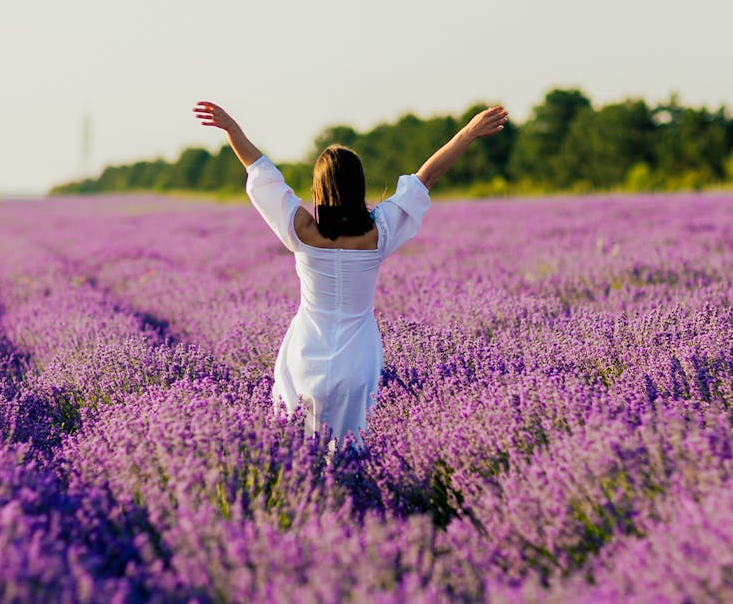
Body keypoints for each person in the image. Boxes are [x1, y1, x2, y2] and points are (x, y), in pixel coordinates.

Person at [193, 100, 509, 442]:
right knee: (354, 447)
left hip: (305, 354)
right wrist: (468, 133)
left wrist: (233, 130)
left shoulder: (302, 231)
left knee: (298, 447)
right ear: (359, 185)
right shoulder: (379, 233)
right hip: (358, 358)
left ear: (319, 189)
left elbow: (263, 174)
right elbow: (426, 177)